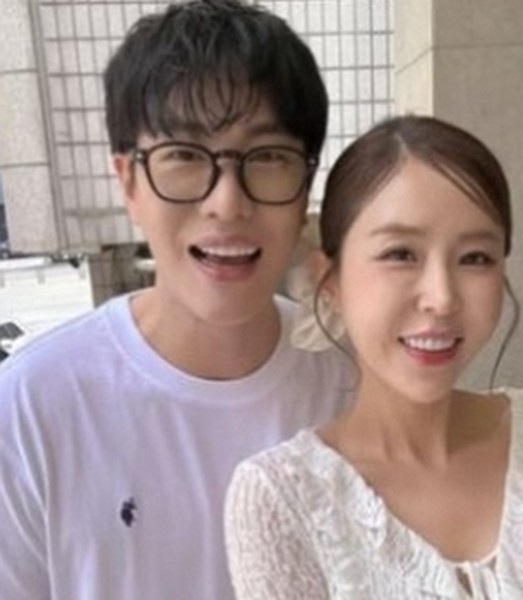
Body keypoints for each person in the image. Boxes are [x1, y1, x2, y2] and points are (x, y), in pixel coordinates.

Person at [0, 1, 353, 598]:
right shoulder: (29, 407)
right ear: (129, 182)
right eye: (185, 156)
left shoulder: (352, 382)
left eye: (267, 157)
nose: (227, 203)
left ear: (306, 186)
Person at [223, 115, 523, 599]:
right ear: (329, 281)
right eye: (400, 254)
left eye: (476, 258)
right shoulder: (283, 501)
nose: (442, 298)